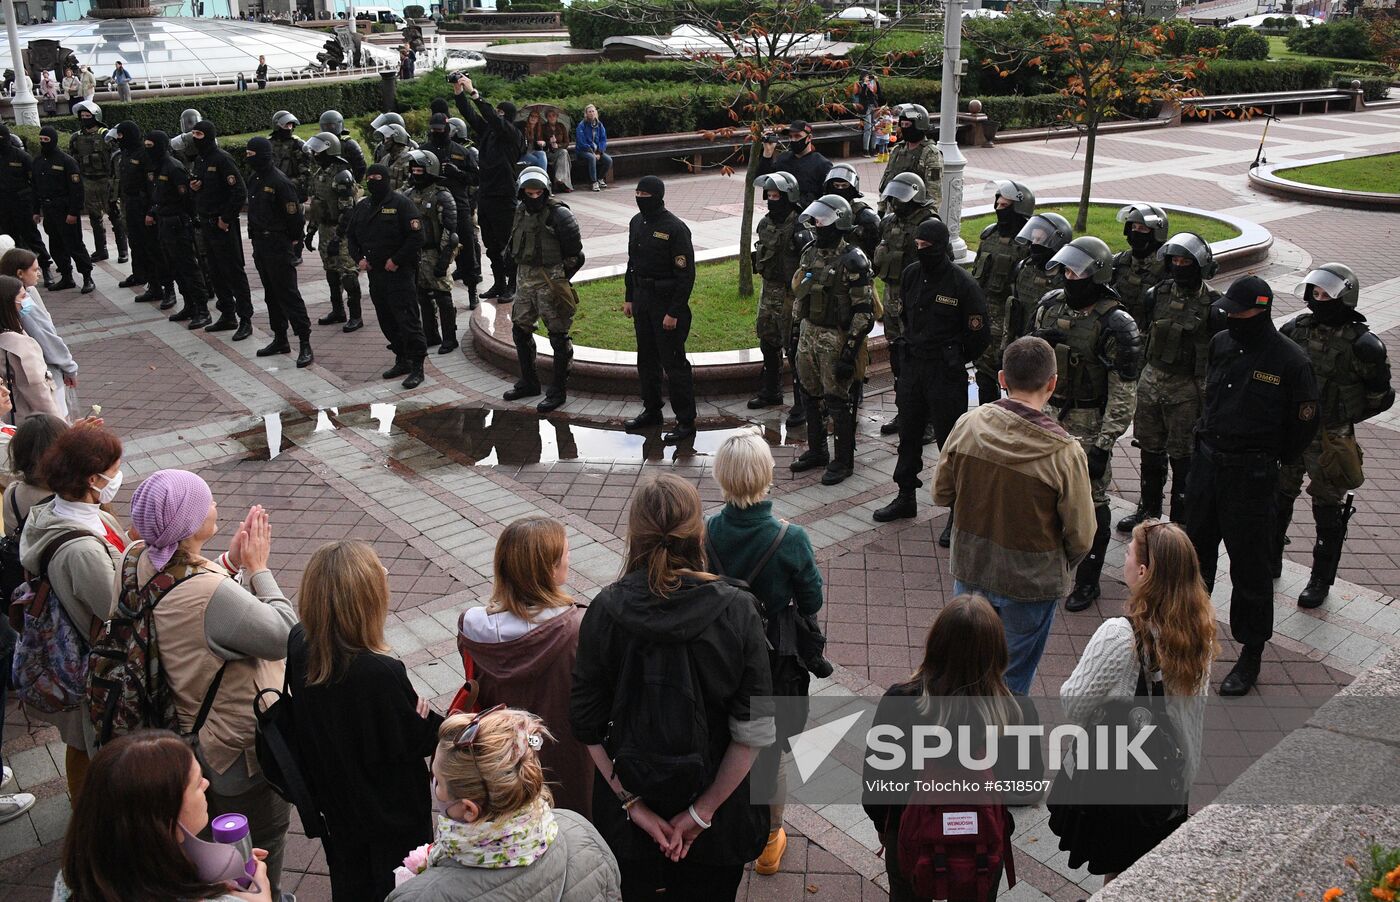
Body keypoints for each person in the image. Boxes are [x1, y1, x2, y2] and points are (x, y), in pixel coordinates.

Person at [570, 474, 774, 901]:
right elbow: (754, 730)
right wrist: (701, 815)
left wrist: (634, 806)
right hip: (718, 819)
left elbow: (587, 727)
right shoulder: (738, 610)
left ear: (634, 534)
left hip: (631, 820)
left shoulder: (604, 610)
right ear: (698, 531)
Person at [127, 469, 297, 891]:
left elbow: (197, 609)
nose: (214, 505)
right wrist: (258, 570)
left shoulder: (135, 558)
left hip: (185, 733)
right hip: (233, 750)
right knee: (260, 840)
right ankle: (261, 896)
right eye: (205, 502)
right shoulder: (209, 595)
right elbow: (285, 635)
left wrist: (229, 562)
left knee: (204, 843)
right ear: (186, 524)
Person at [1050, 521, 1216, 881]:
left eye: (1128, 553)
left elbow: (1073, 704)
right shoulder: (1199, 632)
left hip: (1116, 781)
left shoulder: (1120, 635)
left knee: (1117, 866)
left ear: (1143, 571)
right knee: (1142, 871)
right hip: (1167, 777)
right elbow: (1192, 714)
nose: (1122, 557)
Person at [932, 337, 1096, 694]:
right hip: (1031, 584)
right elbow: (1082, 535)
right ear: (1053, 383)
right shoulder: (1065, 453)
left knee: (966, 668)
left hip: (972, 567)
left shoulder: (968, 425)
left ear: (1003, 377)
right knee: (1012, 681)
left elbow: (941, 493)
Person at [287, 540, 442, 902]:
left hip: (336, 800)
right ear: (366, 599)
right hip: (389, 812)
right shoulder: (380, 672)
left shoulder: (299, 642)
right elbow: (418, 737)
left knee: (349, 880)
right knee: (399, 886)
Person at [1186, 276, 1317, 697]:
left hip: (1251, 475)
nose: (1227, 314)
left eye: (1236, 309)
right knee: (1195, 557)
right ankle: (1190, 633)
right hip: (1208, 466)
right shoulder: (1222, 342)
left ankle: (1250, 653)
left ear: (1260, 310)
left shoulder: (1290, 361)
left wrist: (1266, 457)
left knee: (1250, 569)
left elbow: (1302, 428)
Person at [863, 595, 1043, 901]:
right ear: (998, 651)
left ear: (935, 645)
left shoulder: (901, 701)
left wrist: (887, 828)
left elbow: (876, 787)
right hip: (983, 840)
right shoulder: (1017, 711)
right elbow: (1026, 787)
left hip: (909, 832)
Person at [705, 430, 824, 877]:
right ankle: (770, 841)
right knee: (770, 753)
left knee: (724, 739)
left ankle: (719, 816)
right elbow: (811, 600)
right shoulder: (790, 538)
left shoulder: (706, 530)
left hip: (719, 655)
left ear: (721, 477)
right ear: (767, 476)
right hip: (773, 661)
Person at [386, 708, 622, 902]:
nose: (433, 785)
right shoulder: (579, 829)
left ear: (469, 810)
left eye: (437, 781)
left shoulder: (419, 896)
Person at [1033, 236, 1143, 613]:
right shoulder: (1049, 307)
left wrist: (1104, 444)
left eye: (1077, 271)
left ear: (1097, 275)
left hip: (1089, 421)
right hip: (1049, 415)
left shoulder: (1116, 324)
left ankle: (1088, 579)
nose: (1068, 277)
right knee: (1045, 492)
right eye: (1065, 269)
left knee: (1092, 502)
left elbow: (1124, 392)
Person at [1276, 264, 1394, 608]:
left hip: (1330, 436)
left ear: (1346, 297)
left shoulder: (1363, 345)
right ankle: (1271, 557)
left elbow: (1380, 396)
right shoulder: (1294, 330)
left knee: (1327, 509)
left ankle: (1320, 578)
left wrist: (1344, 418)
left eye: (1327, 294)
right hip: (1293, 429)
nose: (1319, 299)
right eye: (1315, 293)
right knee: (1278, 494)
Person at [18, 425, 126, 798]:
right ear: (94, 479)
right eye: (114, 471)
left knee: (83, 741)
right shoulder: (81, 549)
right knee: (88, 744)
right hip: (89, 657)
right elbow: (115, 606)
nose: (118, 478)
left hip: (77, 649)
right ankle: (88, 824)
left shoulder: (54, 510)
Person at [457, 516, 591, 816]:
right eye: (566, 554)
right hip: (568, 760)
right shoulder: (580, 627)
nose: (570, 559)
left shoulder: (471, 625)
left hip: (501, 763)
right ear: (551, 569)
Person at [54, 731, 273, 902]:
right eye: (197, 783)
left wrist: (203, 872)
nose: (206, 784)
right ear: (167, 817)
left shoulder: (73, 879)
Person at [873, 218, 989, 537]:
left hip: (945, 373)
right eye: (918, 246)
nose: (921, 251)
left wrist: (957, 356)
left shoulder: (962, 284)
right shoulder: (911, 274)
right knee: (909, 435)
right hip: (914, 369)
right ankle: (905, 496)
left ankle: (957, 511)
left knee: (949, 443)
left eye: (927, 247)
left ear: (941, 248)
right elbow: (907, 317)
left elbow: (980, 333)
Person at [1116, 232, 1221, 532]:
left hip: (1187, 390)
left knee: (1183, 455)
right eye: (1174, 260)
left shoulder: (1214, 306)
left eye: (1185, 261)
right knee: (1150, 448)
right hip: (1151, 381)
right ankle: (1148, 510)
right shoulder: (1156, 294)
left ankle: (1180, 519)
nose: (1178, 266)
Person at [787, 194, 875, 486]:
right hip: (810, 334)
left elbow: (864, 312)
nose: (816, 225)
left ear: (840, 222)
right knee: (809, 395)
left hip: (836, 338)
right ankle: (817, 450)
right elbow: (801, 294)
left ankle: (843, 461)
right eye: (815, 220)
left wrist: (850, 353)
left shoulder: (854, 260)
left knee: (838, 400)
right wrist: (796, 330)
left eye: (822, 221)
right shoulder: (810, 252)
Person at [622, 176, 697, 444]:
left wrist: (674, 312)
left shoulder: (675, 229)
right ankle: (652, 410)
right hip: (643, 301)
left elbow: (686, 275)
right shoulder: (636, 223)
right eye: (637, 192)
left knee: (674, 364)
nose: (640, 197)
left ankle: (686, 421)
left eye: (645, 194)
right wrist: (629, 297)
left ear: (657, 196)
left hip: (666, 305)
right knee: (647, 360)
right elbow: (632, 263)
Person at [502, 167, 583, 411]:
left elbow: (576, 255)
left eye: (538, 193)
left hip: (550, 279)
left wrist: (559, 279)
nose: (533, 197)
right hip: (525, 277)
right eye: (528, 192)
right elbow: (515, 238)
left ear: (545, 191)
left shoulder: (559, 214)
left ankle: (558, 391)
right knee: (520, 330)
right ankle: (529, 382)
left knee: (558, 336)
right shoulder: (520, 210)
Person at [347, 163, 428, 389]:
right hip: (376, 275)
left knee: (407, 319)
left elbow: (416, 237)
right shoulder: (363, 207)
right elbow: (351, 236)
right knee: (386, 319)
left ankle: (417, 366)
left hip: (399, 274)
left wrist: (397, 260)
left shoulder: (401, 204)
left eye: (378, 177)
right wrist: (359, 259)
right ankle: (401, 358)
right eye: (369, 177)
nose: (373, 181)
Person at [873, 172, 940, 440]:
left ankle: (929, 421)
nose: (895, 203)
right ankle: (906, 413)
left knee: (922, 363)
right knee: (898, 360)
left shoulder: (929, 225)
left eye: (901, 197)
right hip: (892, 302)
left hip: (918, 305)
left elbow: (938, 269)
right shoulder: (889, 223)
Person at [454, 75, 526, 301]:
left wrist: (474, 92)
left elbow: (492, 119)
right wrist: (459, 93)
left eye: (500, 113)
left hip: (503, 196)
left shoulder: (513, 135)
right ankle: (498, 283)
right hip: (486, 194)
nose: (496, 114)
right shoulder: (490, 133)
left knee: (507, 243)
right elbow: (472, 116)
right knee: (492, 245)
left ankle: (512, 285)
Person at [244, 137, 313, 368]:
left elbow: (294, 217)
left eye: (252, 155)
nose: (249, 159)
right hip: (261, 246)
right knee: (271, 294)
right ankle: (280, 338)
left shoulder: (280, 182)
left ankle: (304, 343)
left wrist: (295, 242)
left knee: (288, 295)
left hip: (278, 245)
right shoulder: (254, 179)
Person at [747, 172, 808, 425]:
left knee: (793, 348)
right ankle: (771, 391)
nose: (772, 201)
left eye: (777, 196)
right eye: (769, 196)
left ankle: (802, 404)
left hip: (790, 296)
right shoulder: (765, 224)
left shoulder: (801, 227)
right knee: (767, 342)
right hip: (768, 290)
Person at [189, 120, 255, 341]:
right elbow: (202, 185)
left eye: (199, 134)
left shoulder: (222, 159)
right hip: (207, 224)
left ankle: (245, 319)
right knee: (215, 272)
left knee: (234, 272)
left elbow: (239, 191)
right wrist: (195, 186)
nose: (195, 138)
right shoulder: (200, 160)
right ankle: (227, 314)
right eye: (193, 133)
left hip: (222, 225)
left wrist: (226, 219)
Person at [971, 180, 1034, 405]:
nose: (999, 209)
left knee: (1015, 378)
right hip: (986, 317)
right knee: (984, 374)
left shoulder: (1028, 243)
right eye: (997, 204)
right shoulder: (989, 237)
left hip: (1012, 321)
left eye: (1005, 205)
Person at [145, 129, 213, 330]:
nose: (148, 150)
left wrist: (188, 220)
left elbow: (187, 199)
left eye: (151, 146)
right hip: (165, 224)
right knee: (175, 267)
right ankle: (189, 305)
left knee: (189, 269)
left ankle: (202, 310)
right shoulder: (158, 167)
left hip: (178, 225)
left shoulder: (174, 168)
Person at [1, 249, 78, 418]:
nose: (39, 274)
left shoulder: (18, 294)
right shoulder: (24, 305)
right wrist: (69, 367)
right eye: (35, 270)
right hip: (44, 382)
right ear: (20, 273)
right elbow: (46, 336)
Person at [305, 132, 364, 336]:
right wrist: (311, 231)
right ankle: (338, 310)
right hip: (324, 228)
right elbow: (317, 205)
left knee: (348, 272)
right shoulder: (319, 173)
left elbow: (348, 211)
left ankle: (356, 315)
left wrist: (338, 238)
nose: (314, 154)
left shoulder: (342, 176)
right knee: (331, 271)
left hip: (342, 231)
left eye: (318, 150)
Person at [404, 150, 461, 356]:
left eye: (420, 169)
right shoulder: (409, 194)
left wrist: (444, 261)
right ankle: (431, 334)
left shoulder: (442, 195)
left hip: (436, 253)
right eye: (414, 169)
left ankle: (450, 338)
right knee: (422, 296)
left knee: (443, 296)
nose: (416, 173)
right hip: (417, 254)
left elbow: (450, 231)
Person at [423, 112, 479, 309]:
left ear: (447, 129)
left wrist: (458, 173)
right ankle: (431, 290)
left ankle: (472, 290)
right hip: (433, 208)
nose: (437, 132)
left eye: (440, 129)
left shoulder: (461, 152)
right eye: (434, 130)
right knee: (432, 248)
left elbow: (475, 177)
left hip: (459, 204)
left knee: (468, 248)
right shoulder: (425, 151)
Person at [32, 127, 95, 294]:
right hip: (49, 210)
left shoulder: (66, 161)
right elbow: (35, 189)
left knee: (75, 244)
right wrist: (36, 210)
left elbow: (76, 190)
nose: (43, 143)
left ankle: (87, 277)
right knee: (56, 245)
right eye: (42, 139)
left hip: (65, 210)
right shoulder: (38, 161)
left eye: (47, 140)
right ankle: (66, 276)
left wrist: (74, 212)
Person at [999, 211, 1072, 352]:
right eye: (1032, 239)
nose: (1033, 245)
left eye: (1040, 240)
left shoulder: (1068, 278)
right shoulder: (1023, 269)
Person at [68, 101, 126, 264]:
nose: (85, 119)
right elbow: (73, 159)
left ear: (96, 117)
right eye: (83, 116)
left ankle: (122, 250)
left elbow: (116, 158)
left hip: (105, 180)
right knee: (95, 218)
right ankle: (101, 250)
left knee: (115, 215)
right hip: (88, 180)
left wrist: (115, 182)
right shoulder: (76, 137)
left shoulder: (106, 135)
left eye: (88, 116)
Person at [0, 275, 64, 420]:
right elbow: (38, 391)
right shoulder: (20, 345)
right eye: (22, 297)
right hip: (27, 419)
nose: (26, 301)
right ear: (8, 303)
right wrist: (59, 425)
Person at [0, 124, 54, 288]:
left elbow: (34, 182)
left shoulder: (21, 156)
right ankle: (15, 276)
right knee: (9, 242)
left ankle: (45, 267)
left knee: (32, 238)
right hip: (3, 206)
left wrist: (34, 206)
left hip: (22, 204)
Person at [113, 121, 160, 302]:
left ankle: (156, 284)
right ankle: (139, 273)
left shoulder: (143, 154)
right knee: (135, 241)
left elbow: (151, 186)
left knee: (149, 245)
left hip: (143, 205)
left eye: (121, 135)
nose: (119, 139)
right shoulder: (125, 153)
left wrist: (151, 210)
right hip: (130, 203)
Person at [1110, 202, 1170, 333]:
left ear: (1156, 233)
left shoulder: (1168, 270)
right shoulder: (1120, 261)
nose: (1136, 233)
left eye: (1143, 229)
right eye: (1134, 227)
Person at [878, 103, 943, 212]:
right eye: (902, 124)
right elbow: (887, 181)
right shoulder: (897, 150)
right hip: (893, 213)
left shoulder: (931, 154)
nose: (904, 128)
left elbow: (934, 194)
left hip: (916, 215)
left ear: (919, 125)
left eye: (907, 125)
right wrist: (881, 211)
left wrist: (926, 218)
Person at [757, 120, 832, 208]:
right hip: (781, 214)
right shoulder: (782, 159)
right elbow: (763, 181)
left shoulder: (822, 164)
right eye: (790, 136)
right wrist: (767, 153)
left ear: (809, 137)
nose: (793, 140)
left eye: (797, 136)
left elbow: (828, 197)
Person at [822, 164, 880, 260]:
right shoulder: (822, 211)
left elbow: (874, 251)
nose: (840, 189)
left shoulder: (865, 216)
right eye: (836, 186)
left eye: (844, 186)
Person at [319, 109, 367, 181]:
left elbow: (360, 167)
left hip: (346, 181)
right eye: (325, 126)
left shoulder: (349, 144)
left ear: (339, 125)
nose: (328, 128)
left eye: (331, 125)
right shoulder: (320, 143)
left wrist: (354, 182)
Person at [575, 104, 612, 192]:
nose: (591, 113)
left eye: (593, 111)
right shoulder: (582, 125)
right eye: (589, 112)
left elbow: (603, 139)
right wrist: (592, 152)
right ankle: (593, 182)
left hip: (597, 151)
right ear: (586, 114)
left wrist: (599, 152)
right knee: (592, 158)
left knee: (608, 160)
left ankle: (600, 178)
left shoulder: (599, 125)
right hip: (583, 151)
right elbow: (581, 142)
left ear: (596, 112)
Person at [377, 123, 416, 193]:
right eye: (384, 139)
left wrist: (394, 196)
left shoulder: (410, 158)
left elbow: (411, 183)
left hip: (402, 200)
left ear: (397, 139)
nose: (384, 142)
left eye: (388, 139)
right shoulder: (385, 159)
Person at [541, 108, 573, 192]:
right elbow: (540, 143)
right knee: (564, 155)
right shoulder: (543, 127)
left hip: (559, 152)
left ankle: (560, 180)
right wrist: (549, 143)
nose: (552, 118)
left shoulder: (561, 126)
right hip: (548, 153)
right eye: (549, 116)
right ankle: (564, 183)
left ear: (557, 116)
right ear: (546, 118)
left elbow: (566, 143)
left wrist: (558, 145)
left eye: (554, 116)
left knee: (563, 153)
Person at [854, 74, 882, 155]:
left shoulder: (872, 84)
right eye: (866, 76)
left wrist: (877, 82)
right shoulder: (860, 85)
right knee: (868, 129)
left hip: (874, 107)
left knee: (875, 129)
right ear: (862, 77)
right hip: (866, 109)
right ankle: (865, 150)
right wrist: (865, 85)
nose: (868, 78)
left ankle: (873, 149)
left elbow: (879, 94)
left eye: (869, 76)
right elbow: (862, 96)